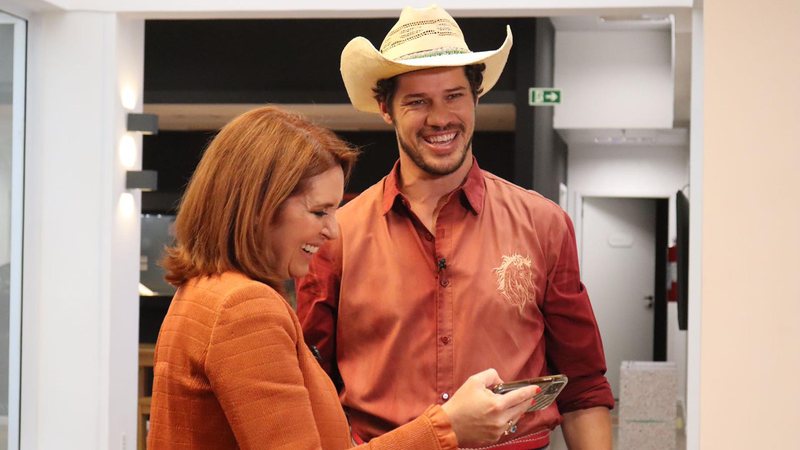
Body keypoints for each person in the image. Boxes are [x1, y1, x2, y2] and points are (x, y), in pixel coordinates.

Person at [296, 5, 614, 450]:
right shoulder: (337, 235)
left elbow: (583, 387)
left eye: (453, 96)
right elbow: (312, 387)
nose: (440, 117)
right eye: (417, 101)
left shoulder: (543, 225)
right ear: (386, 109)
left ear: (476, 98)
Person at [146, 105, 540, 450]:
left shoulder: (202, 293)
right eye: (319, 212)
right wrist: (446, 427)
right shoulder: (246, 308)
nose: (332, 231)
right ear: (258, 208)